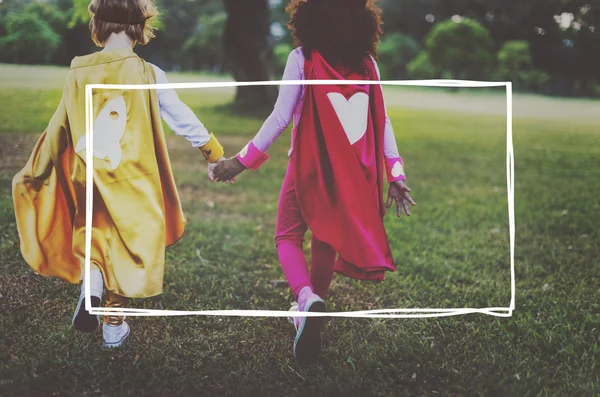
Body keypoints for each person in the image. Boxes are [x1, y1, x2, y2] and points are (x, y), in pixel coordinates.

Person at [12, 0, 226, 348]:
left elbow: (60, 126)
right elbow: (181, 116)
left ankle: (92, 286)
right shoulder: (149, 73)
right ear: (141, 28)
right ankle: (113, 325)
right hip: (134, 181)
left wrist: (38, 168)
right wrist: (213, 153)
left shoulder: (78, 70)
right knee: (130, 245)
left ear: (97, 26)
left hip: (90, 174)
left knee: (94, 234)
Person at [213, 0, 416, 363]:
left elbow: (279, 118)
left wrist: (240, 162)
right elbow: (382, 121)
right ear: (362, 19)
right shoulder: (368, 65)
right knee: (326, 244)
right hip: (352, 177)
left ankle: (305, 297)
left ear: (308, 15)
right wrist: (396, 173)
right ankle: (311, 310)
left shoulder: (302, 58)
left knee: (287, 235)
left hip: (307, 169)